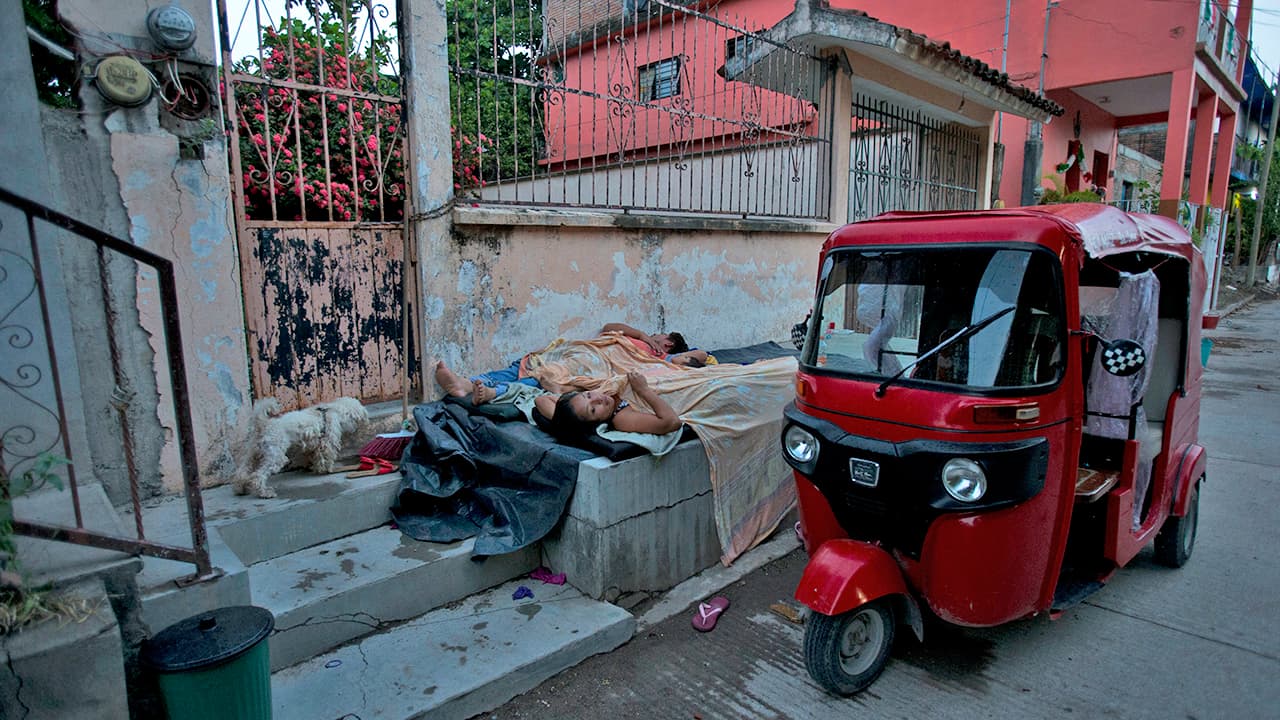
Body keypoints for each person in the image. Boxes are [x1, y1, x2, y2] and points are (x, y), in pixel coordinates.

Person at [435, 361, 680, 436]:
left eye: (590, 398)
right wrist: (644, 391)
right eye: (592, 408)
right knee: (531, 378)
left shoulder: (593, 401)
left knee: (533, 378)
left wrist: (560, 391)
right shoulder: (621, 416)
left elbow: (546, 403)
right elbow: (670, 422)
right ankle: (472, 386)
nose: (598, 400)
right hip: (650, 384)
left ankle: (471, 385)